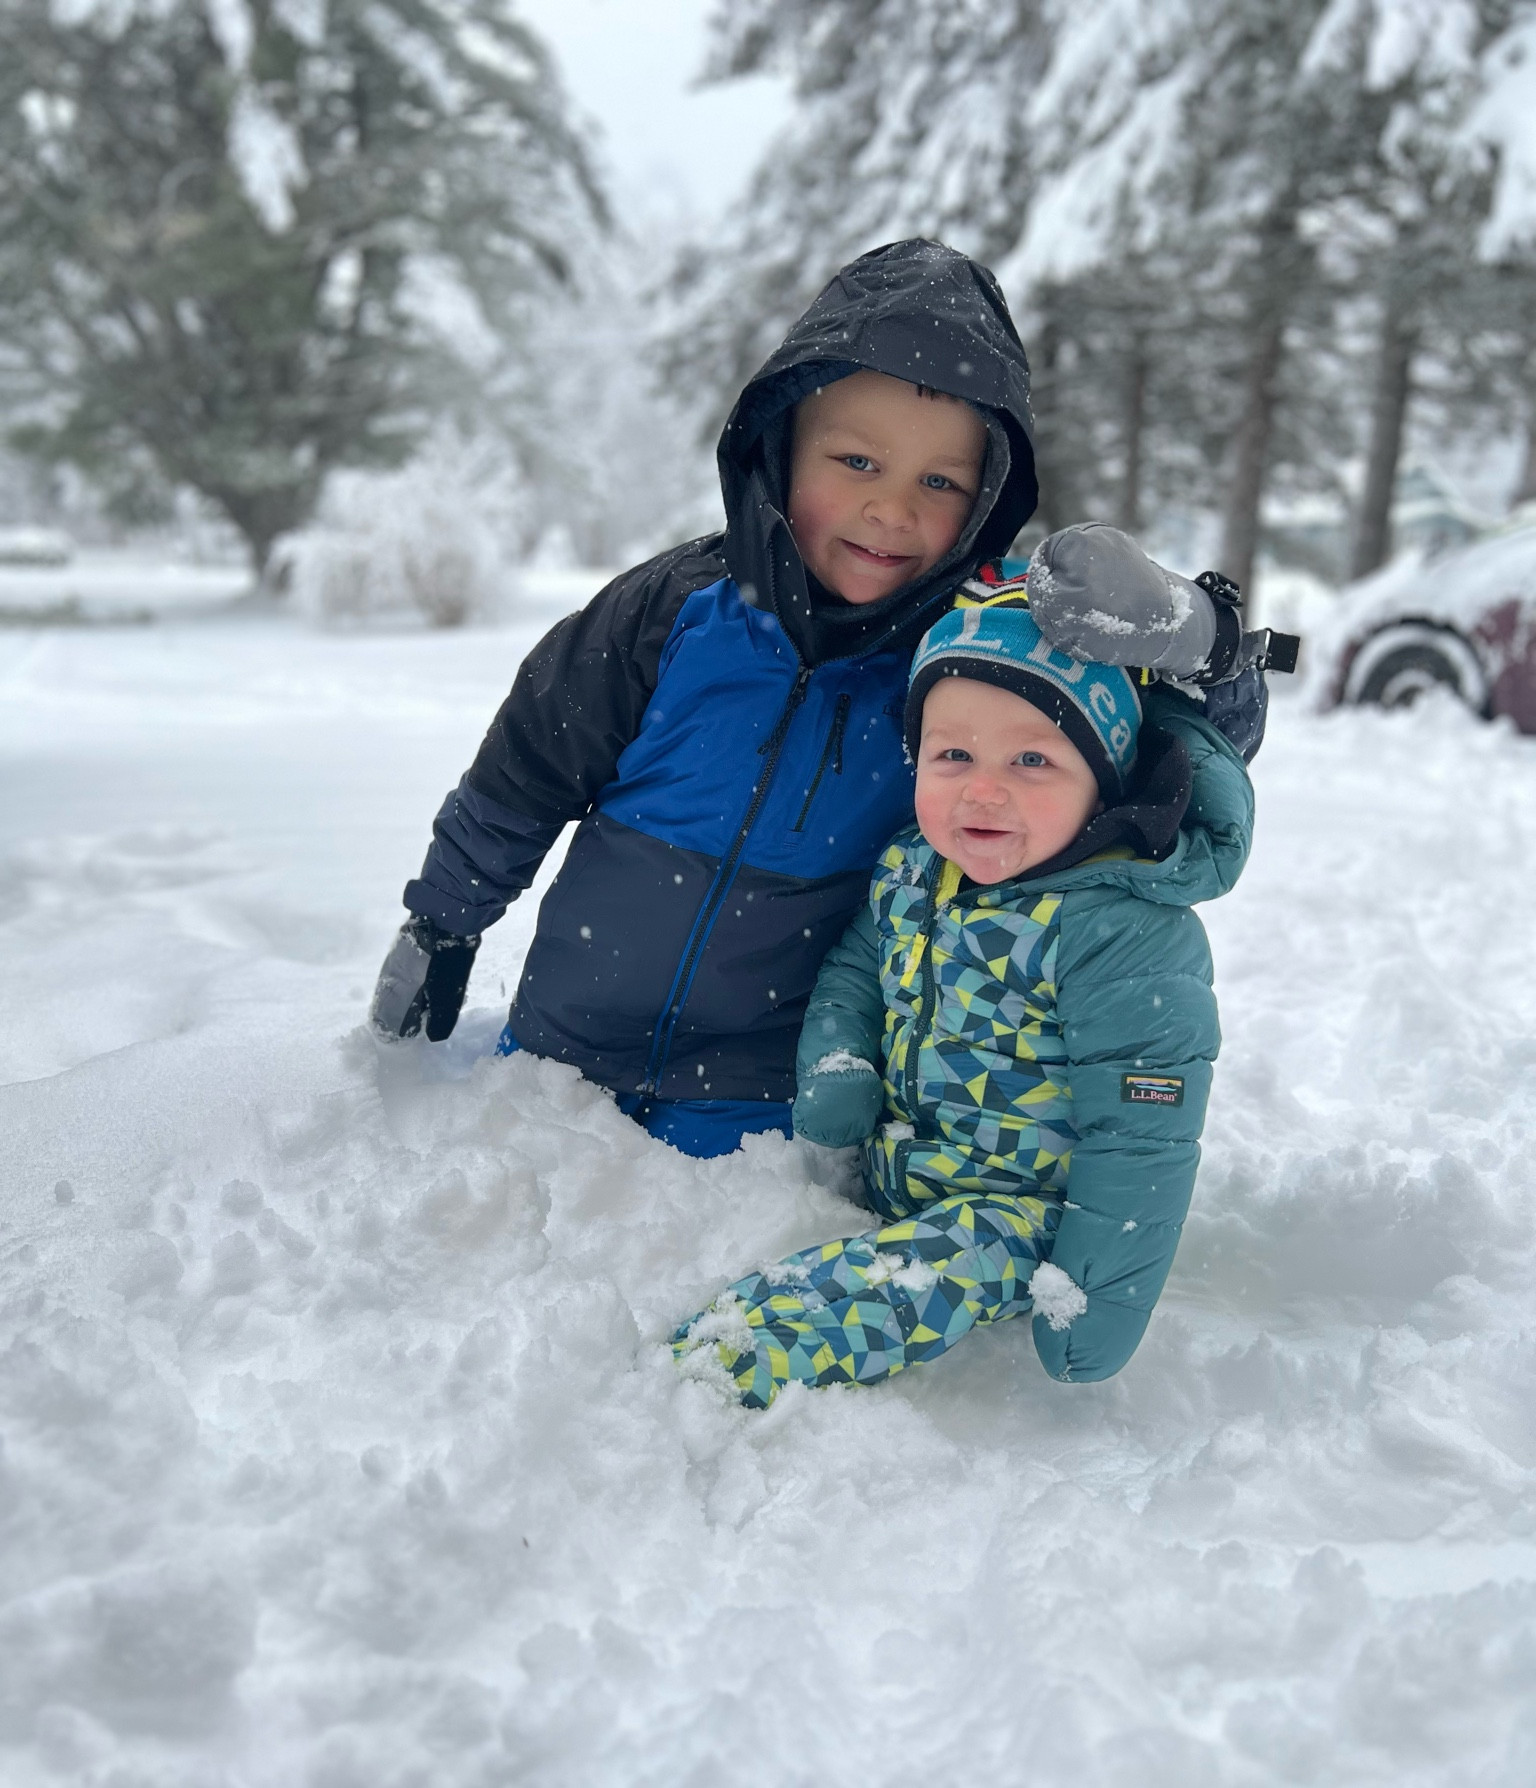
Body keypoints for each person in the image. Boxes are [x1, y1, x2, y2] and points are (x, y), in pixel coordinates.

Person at [370, 238, 1265, 1160]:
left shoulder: (976, 646)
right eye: (857, 463)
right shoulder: (672, 611)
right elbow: (525, 771)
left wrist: (1202, 646)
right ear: (781, 451)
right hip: (560, 1054)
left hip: (768, 1083)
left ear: (987, 499)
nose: (893, 511)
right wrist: (443, 919)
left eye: (940, 482)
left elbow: (1176, 750)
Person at [671, 589, 1248, 1404]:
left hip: (1023, 1216)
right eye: (953, 758)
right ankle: (725, 1332)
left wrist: (1095, 1294)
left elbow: (1142, 1136)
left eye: (1033, 761)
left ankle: (729, 1372)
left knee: (913, 1279)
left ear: (1104, 779)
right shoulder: (913, 867)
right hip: (906, 1171)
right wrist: (840, 1059)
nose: (983, 791)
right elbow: (854, 971)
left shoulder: (1119, 927)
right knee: (867, 1248)